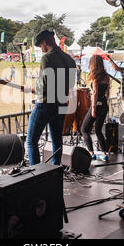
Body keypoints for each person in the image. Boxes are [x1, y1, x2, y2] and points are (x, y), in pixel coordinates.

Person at [25, 30, 77, 166]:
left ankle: (35, 175)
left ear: (45, 42)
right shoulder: (69, 59)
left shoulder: (47, 58)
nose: (41, 50)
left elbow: (44, 87)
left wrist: (30, 88)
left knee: (31, 141)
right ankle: (55, 170)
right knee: (56, 140)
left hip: (46, 104)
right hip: (61, 103)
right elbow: (71, 84)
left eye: (40, 46)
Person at [80, 55, 110, 162]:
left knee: (84, 130)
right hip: (104, 105)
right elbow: (107, 92)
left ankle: (91, 153)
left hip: (96, 105)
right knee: (98, 131)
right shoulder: (106, 76)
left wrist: (93, 108)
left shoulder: (95, 77)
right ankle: (104, 153)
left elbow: (95, 93)